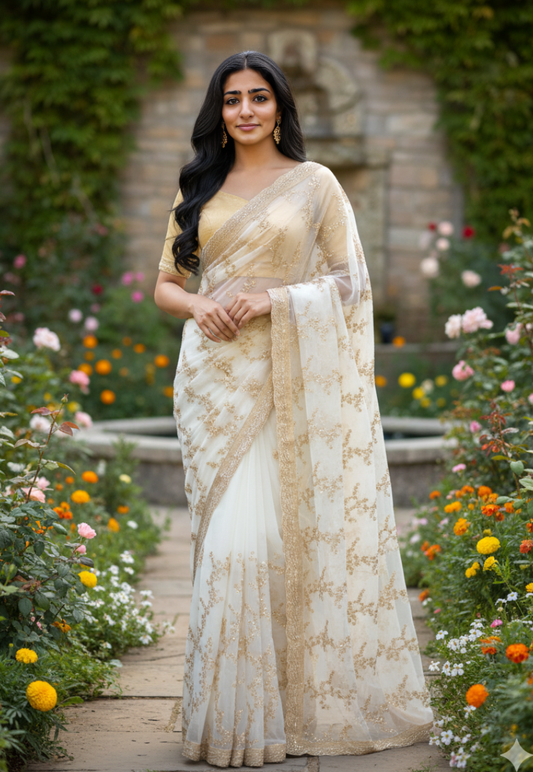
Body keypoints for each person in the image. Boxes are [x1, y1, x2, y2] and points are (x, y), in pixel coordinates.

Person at [154, 50, 433, 769]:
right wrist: (200, 305)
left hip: (287, 378)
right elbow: (166, 285)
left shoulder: (315, 184)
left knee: (277, 544)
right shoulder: (198, 184)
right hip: (214, 381)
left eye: (258, 97)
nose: (244, 110)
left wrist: (273, 300)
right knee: (228, 547)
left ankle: (282, 712)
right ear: (218, 112)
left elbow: (348, 281)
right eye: (231, 99)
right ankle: (229, 721)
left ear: (279, 106)